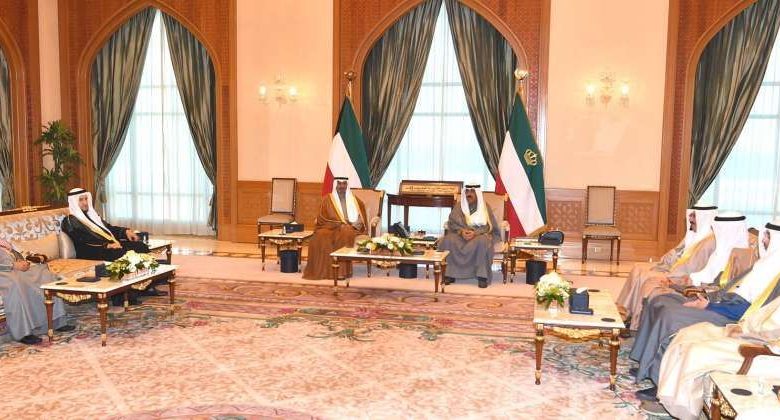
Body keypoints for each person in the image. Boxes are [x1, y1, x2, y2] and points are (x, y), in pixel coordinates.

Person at [630, 214, 775, 400]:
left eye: (768, 236)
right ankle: (646, 363)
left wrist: (709, 306)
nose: (763, 240)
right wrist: (706, 297)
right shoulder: (763, 263)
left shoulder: (774, 271)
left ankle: (660, 384)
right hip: (720, 303)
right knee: (661, 301)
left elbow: (751, 310)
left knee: (670, 316)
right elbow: (727, 288)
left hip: (732, 317)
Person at [657, 284, 780, 420]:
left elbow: (771, 329)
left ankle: (686, 410)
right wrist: (742, 328)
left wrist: (747, 333)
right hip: (754, 337)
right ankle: (672, 398)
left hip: (766, 354)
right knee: (693, 332)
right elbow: (762, 316)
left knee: (698, 352)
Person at [617, 206, 717, 329]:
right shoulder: (694, 235)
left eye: (694, 216)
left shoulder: (707, 242)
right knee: (638, 268)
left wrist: (670, 273)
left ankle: (636, 321)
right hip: (674, 268)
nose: (690, 219)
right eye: (691, 215)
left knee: (646, 278)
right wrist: (666, 263)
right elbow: (678, 253)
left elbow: (691, 267)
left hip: (681, 275)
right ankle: (626, 311)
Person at [0, 239, 73, 345]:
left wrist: (19, 259)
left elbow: (16, 256)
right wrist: (12, 266)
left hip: (15, 269)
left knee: (44, 273)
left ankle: (56, 322)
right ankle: (23, 333)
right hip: (4, 273)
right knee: (15, 283)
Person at [303, 177, 367, 280]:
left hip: (348, 227)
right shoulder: (327, 200)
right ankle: (325, 272)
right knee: (320, 236)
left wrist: (352, 225)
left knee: (345, 232)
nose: (342, 186)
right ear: (335, 185)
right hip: (329, 226)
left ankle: (340, 272)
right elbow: (321, 218)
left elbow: (361, 218)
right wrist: (337, 224)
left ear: (347, 185)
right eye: (339, 184)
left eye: (344, 184)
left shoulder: (355, 200)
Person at [438, 185, 500, 288]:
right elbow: (452, 223)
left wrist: (475, 233)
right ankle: (450, 274)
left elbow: (489, 226)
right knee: (448, 240)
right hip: (460, 234)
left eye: (472, 191)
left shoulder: (485, 207)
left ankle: (482, 276)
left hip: (479, 235)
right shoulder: (459, 206)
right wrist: (461, 231)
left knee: (483, 241)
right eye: (467, 191)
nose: (469, 194)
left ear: (477, 193)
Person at [61, 187, 150, 261]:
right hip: (90, 251)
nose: (85, 202)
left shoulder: (92, 216)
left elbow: (108, 228)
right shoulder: (69, 220)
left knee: (140, 246)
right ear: (74, 202)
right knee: (120, 253)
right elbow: (83, 239)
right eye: (81, 200)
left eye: (86, 199)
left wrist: (125, 232)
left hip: (106, 247)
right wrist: (107, 245)